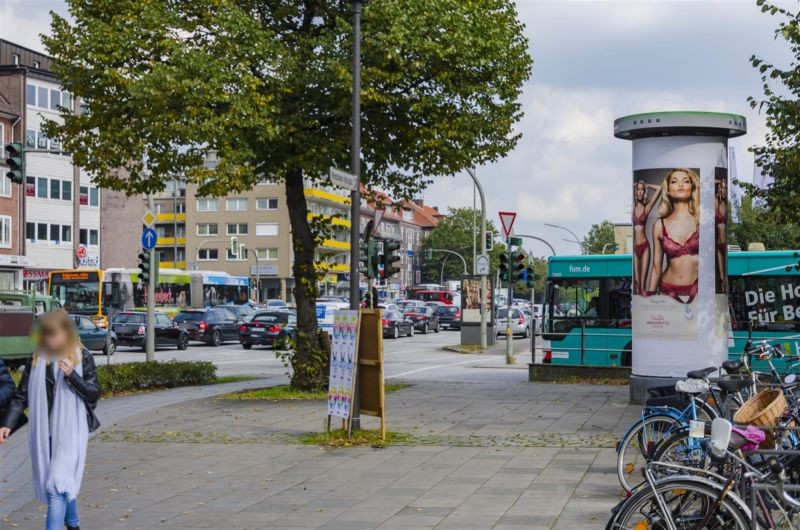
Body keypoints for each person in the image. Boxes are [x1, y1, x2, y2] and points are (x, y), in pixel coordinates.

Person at [0, 309, 100, 530]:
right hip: (45, 433)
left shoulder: (82, 357)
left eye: (53, 334)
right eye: (45, 334)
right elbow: (21, 396)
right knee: (63, 483)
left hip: (71, 433)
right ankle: (73, 523)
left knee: (56, 486)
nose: (48, 339)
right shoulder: (37, 359)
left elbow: (93, 395)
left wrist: (72, 376)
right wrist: (7, 423)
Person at [648, 168, 700, 306]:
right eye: (675, 181)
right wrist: (648, 302)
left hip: (699, 290)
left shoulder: (701, 221)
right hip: (667, 290)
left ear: (692, 187)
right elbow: (656, 268)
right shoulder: (659, 225)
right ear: (668, 190)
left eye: (686, 181)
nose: (681, 185)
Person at [632, 180, 662, 293]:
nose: (639, 192)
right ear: (635, 192)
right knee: (636, 284)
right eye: (638, 190)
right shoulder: (632, 208)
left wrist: (647, 185)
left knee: (643, 284)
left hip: (645, 248)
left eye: (642, 190)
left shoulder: (647, 208)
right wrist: (635, 184)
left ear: (644, 192)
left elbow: (660, 188)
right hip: (635, 249)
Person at [715, 178, 728, 294]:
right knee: (721, 277)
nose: (724, 190)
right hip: (719, 244)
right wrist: (720, 181)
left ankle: (727, 297)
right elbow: (707, 184)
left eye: (726, 188)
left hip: (726, 245)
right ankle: (723, 296)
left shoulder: (727, 205)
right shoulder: (716, 202)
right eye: (722, 188)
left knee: (727, 274)